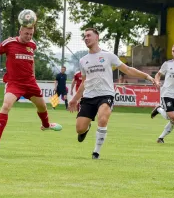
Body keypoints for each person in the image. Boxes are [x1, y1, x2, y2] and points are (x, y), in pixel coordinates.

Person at [0, 12, 62, 150]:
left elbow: (31, 61)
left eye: (31, 34)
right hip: (14, 83)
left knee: (42, 107)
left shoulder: (32, 45)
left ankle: (46, 125)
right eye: (26, 33)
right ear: (20, 31)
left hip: (30, 83)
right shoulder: (9, 43)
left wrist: (33, 76)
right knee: (6, 106)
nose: (28, 37)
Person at [68, 28, 159, 159]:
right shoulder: (83, 61)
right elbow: (84, 82)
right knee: (79, 129)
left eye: (89, 35)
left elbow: (127, 69)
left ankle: (96, 152)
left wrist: (147, 77)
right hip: (89, 96)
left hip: (106, 94)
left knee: (103, 118)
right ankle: (86, 128)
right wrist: (75, 99)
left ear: (97, 37)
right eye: (84, 36)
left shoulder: (108, 56)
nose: (86, 38)